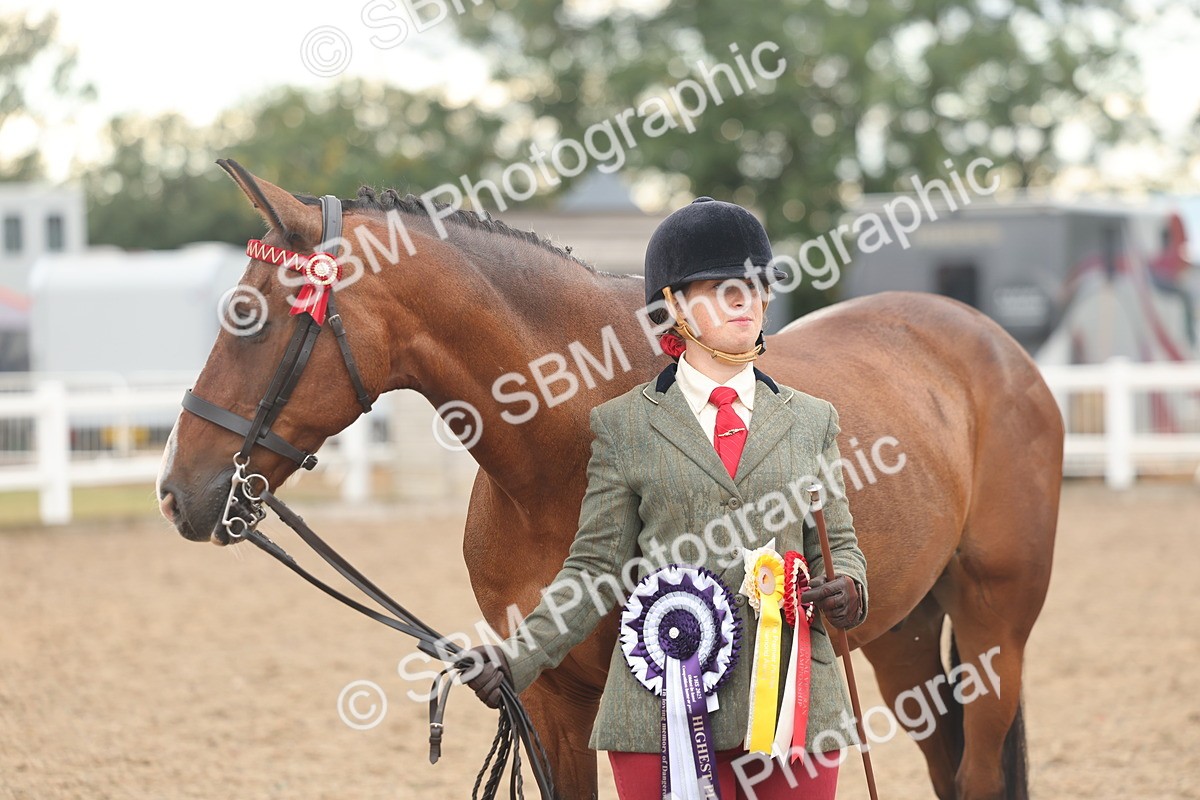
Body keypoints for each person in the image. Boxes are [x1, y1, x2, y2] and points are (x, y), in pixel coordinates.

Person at [464, 197, 869, 799]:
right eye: (720, 287)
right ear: (674, 307)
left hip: (791, 704)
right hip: (662, 714)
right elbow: (595, 568)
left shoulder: (813, 420)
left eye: (756, 286)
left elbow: (840, 545)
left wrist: (851, 592)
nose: (745, 300)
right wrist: (517, 658)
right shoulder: (623, 428)